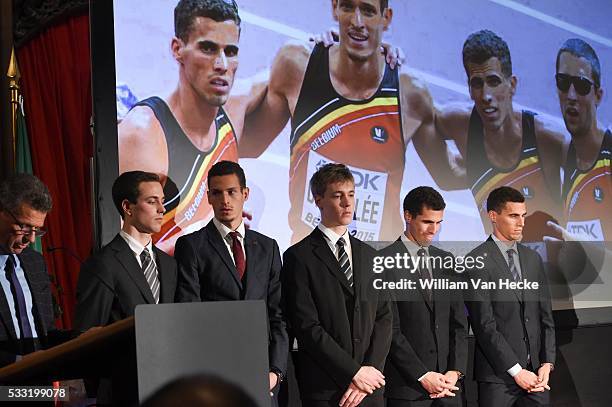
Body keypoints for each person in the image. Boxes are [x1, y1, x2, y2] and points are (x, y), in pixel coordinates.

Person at [241, 0, 438, 244]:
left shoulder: (412, 94)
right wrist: (252, 85)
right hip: (309, 261)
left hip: (375, 269)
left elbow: (448, 175)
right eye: (347, 7)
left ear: (385, 17)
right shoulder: (297, 67)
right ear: (334, 8)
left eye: (368, 11)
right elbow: (248, 144)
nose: (357, 22)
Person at [118, 0, 259, 254]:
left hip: (217, 288)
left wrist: (326, 47)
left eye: (231, 51)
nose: (222, 65)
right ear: (177, 49)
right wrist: (208, 234)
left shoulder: (234, 111)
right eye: (208, 48)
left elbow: (281, 75)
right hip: (166, 292)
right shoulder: (142, 134)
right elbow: (126, 256)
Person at [433, 29, 567, 242]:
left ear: (512, 85)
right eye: (477, 84)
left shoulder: (548, 138)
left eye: (494, 81)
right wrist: (388, 57)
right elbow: (411, 104)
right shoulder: (457, 124)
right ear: (469, 89)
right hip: (503, 272)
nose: (486, 95)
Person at [174, 160, 288, 404]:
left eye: (231, 192)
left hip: (263, 374)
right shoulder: (192, 246)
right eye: (217, 193)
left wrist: (275, 372)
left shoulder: (268, 247)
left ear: (245, 194)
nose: (225, 200)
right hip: (215, 375)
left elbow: (278, 315)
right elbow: (189, 313)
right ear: (208, 197)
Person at [282, 163, 392, 407]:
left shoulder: (371, 255)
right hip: (326, 388)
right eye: (338, 195)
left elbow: (384, 317)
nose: (347, 203)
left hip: (369, 388)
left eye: (351, 195)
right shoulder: (298, 257)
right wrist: (353, 372)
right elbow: (307, 326)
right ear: (318, 200)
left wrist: (369, 371)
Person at [74, 171, 178, 405]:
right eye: (152, 201)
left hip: (167, 390)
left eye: (162, 201)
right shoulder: (102, 264)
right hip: (122, 393)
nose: (162, 209)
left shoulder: (170, 264)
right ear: (127, 207)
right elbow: (87, 336)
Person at [465, 186, 555, 406]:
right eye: (514, 216)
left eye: (523, 216)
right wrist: (516, 371)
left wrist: (546, 362)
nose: (521, 223)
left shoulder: (532, 258)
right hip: (498, 379)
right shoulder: (476, 260)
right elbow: (484, 325)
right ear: (493, 216)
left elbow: (545, 316)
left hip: (536, 377)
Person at [384, 187, 467, 406]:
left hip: (449, 389)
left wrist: (454, 371)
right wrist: (422, 375)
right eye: (428, 222)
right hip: (408, 390)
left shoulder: (445, 260)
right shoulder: (383, 262)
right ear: (408, 216)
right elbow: (389, 330)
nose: (434, 230)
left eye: (439, 223)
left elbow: (458, 323)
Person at [553, 38, 611, 242]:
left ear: (598, 95)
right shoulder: (565, 152)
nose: (571, 95)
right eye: (563, 82)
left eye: (581, 85)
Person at [0, 174, 56, 367]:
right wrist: (19, 362)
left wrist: (81, 338)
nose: (31, 240)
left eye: (37, 230)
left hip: (40, 388)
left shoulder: (35, 262)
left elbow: (46, 334)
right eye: (24, 227)